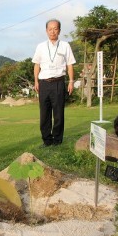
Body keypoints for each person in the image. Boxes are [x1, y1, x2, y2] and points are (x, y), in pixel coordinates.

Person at [32, 19, 76, 147]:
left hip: (58, 82)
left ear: (59, 31)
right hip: (44, 83)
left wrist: (71, 81)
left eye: (55, 28)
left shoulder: (65, 46)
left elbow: (70, 65)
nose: (53, 31)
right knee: (44, 113)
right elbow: (36, 65)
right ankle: (46, 140)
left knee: (58, 112)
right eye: (50, 29)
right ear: (46, 31)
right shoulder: (40, 46)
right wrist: (36, 81)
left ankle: (57, 140)